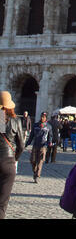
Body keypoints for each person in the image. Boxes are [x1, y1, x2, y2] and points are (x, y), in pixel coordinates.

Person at [0, 91, 24, 219]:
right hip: (8, 163)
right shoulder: (16, 120)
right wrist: (15, 159)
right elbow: (21, 146)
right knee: (2, 202)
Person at [25, 112, 53, 183]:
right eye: (41, 116)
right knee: (33, 161)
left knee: (40, 161)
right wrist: (27, 144)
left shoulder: (48, 126)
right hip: (35, 145)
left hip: (43, 146)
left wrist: (50, 142)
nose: (42, 118)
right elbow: (31, 136)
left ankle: (37, 175)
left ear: (46, 118)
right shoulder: (35, 125)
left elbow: (50, 136)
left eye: (44, 117)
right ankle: (35, 172)